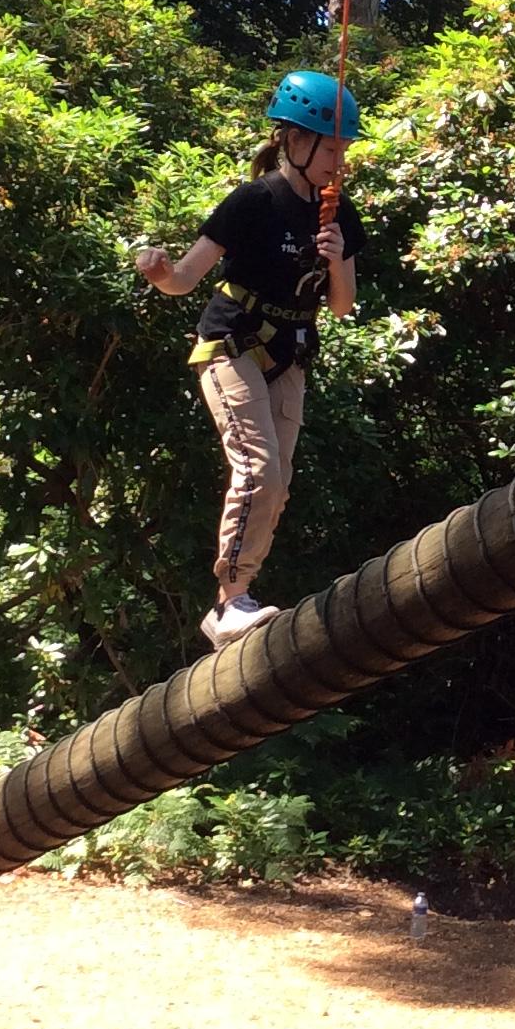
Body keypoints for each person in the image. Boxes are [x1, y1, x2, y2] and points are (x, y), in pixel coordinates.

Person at [135, 70, 364, 650]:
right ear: (295, 140)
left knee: (277, 482)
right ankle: (229, 601)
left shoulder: (338, 214)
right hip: (232, 341)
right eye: (330, 149)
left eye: (344, 150)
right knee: (258, 468)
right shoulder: (254, 201)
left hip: (291, 350)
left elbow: (341, 306)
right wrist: (160, 273)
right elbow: (185, 277)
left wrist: (336, 258)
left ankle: (237, 596)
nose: (338, 162)